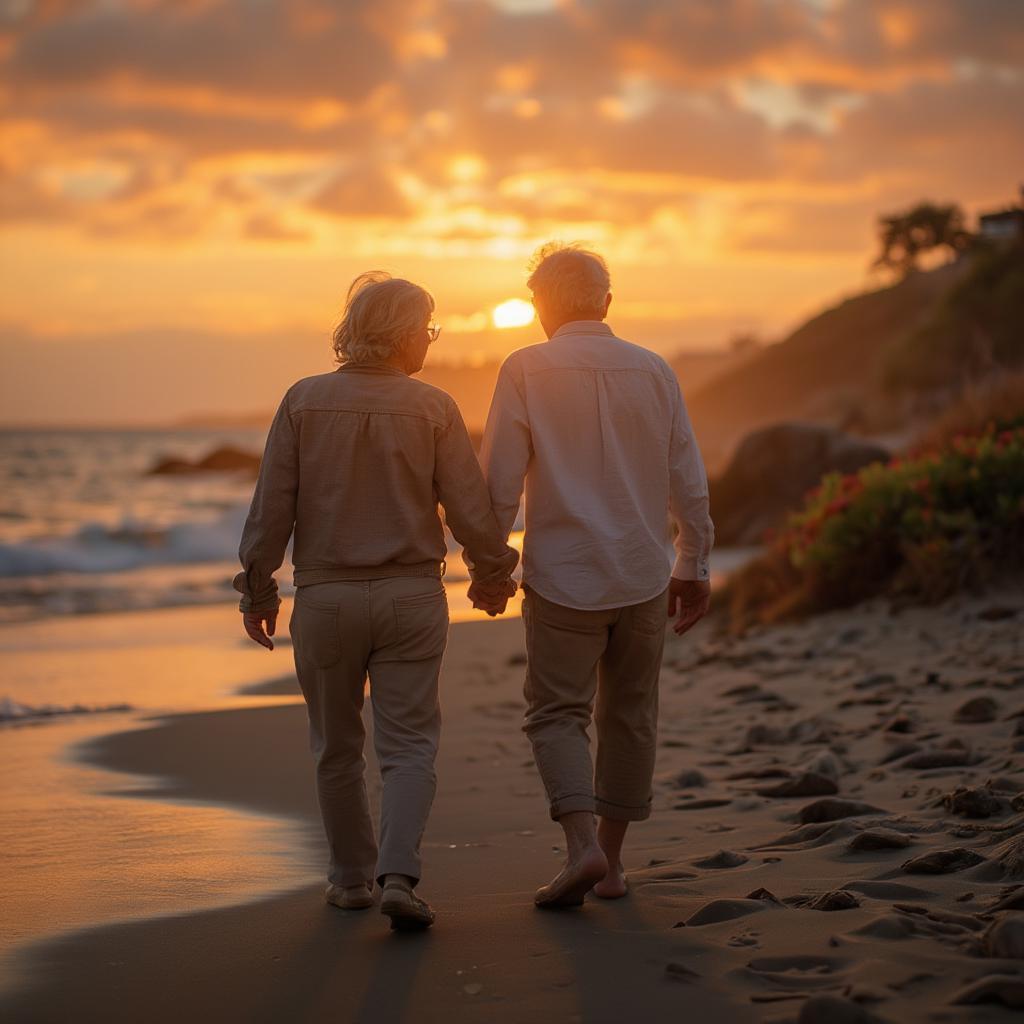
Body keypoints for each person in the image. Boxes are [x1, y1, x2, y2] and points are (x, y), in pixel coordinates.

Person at [235, 271, 518, 930]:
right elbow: (470, 510)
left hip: (327, 598)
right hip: (411, 597)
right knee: (410, 745)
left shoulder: (303, 401)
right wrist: (492, 574)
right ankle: (399, 875)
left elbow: (271, 506)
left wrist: (257, 586)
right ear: (400, 334)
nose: (431, 340)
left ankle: (351, 881)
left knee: (336, 746)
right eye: (427, 328)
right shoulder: (435, 407)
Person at [470, 243, 714, 908]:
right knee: (631, 715)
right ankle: (610, 866)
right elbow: (686, 478)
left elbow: (498, 485)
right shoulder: (655, 371)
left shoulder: (524, 368)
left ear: (538, 308)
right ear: (607, 303)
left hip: (563, 580)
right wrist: (693, 562)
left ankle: (581, 847)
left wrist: (491, 565)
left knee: (556, 714)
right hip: (642, 573)